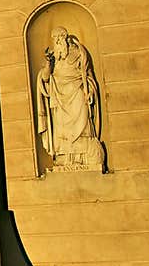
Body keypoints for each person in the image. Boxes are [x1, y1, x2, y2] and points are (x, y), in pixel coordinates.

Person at [36, 27, 105, 172]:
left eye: (59, 38)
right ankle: (66, 157)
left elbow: (88, 76)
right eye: (55, 39)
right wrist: (48, 63)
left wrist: (90, 91)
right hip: (59, 98)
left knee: (83, 125)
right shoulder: (53, 57)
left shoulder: (78, 53)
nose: (57, 41)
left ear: (65, 38)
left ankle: (83, 157)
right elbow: (45, 78)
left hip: (77, 92)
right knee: (62, 130)